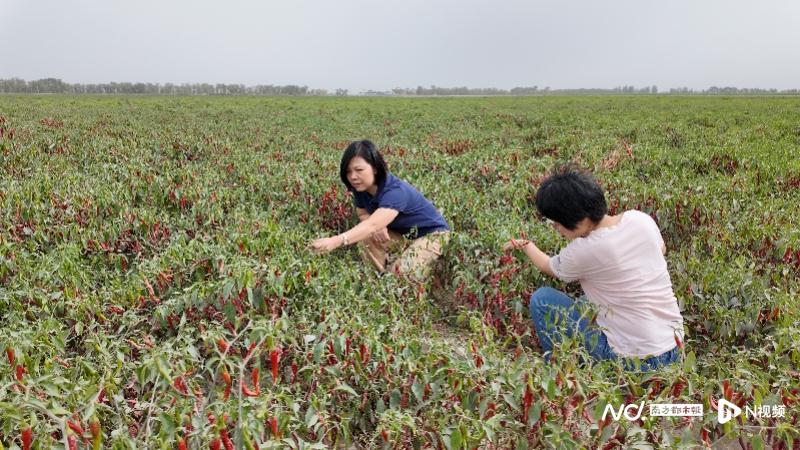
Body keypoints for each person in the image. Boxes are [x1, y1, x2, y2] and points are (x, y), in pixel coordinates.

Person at [503, 166, 685, 371]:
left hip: (638, 362)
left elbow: (548, 266)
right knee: (585, 301)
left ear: (580, 219)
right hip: (676, 347)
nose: (556, 227)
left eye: (558, 222)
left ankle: (555, 369)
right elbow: (661, 249)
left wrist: (527, 246)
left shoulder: (582, 251)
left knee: (542, 299)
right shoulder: (640, 219)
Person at [310, 140, 450, 283]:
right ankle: (380, 281)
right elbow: (363, 214)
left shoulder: (395, 191)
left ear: (375, 168)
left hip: (433, 235)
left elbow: (371, 225)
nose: (353, 177)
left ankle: (411, 278)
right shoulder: (361, 188)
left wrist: (335, 241)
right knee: (366, 238)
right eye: (348, 172)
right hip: (404, 235)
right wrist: (377, 225)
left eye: (359, 170)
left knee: (401, 276)